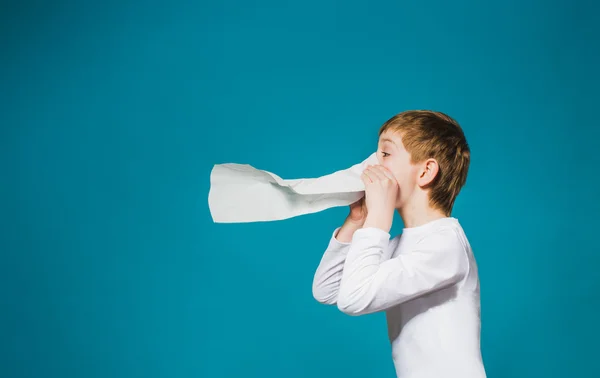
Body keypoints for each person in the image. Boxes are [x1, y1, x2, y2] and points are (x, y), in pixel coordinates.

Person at [312, 110, 486, 377]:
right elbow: (328, 291)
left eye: (385, 154)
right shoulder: (401, 244)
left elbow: (354, 299)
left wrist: (379, 217)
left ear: (426, 171)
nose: (371, 165)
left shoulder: (445, 245)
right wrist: (358, 220)